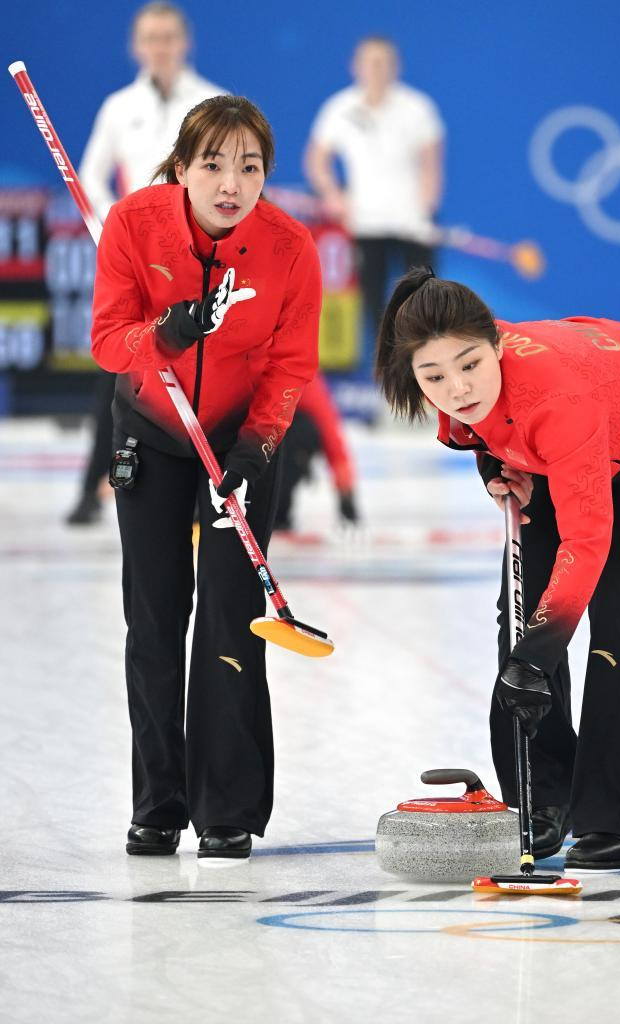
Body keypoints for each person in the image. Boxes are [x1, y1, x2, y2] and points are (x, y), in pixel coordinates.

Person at [375, 268, 620, 872]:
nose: (457, 388)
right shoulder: (455, 389)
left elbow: (587, 541)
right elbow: (478, 434)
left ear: (498, 346)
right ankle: (541, 800)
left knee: (618, 611)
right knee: (522, 617)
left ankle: (617, 820)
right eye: (434, 377)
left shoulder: (557, 400)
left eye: (470, 365)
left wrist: (535, 659)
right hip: (569, 443)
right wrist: (497, 470)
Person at [91, 95, 322, 859]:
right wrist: (161, 334)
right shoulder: (133, 223)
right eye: (213, 164)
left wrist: (256, 448)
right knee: (155, 616)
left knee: (231, 615)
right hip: (152, 431)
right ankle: (158, 803)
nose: (231, 183)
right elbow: (107, 342)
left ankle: (227, 808)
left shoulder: (290, 247)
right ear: (182, 167)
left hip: (239, 437)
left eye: (250, 167)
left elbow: (291, 365)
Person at [67, 1, 223, 525]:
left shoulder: (211, 102)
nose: (160, 47)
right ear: (137, 46)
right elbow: (90, 176)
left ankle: (208, 492)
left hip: (195, 258)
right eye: (151, 38)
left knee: (202, 377)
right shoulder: (119, 107)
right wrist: (115, 227)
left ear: (185, 42)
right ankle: (91, 489)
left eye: (169, 36)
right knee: (116, 374)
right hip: (134, 260)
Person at [304, 36, 444, 394]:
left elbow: (432, 163)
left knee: (424, 305)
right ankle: (390, 387)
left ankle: (431, 383)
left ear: (395, 67)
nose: (376, 69)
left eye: (383, 62)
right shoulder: (339, 108)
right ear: (356, 66)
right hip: (365, 226)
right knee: (376, 309)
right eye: (369, 62)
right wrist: (333, 195)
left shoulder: (418, 108)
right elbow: (316, 159)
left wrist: (427, 207)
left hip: (413, 226)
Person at [274, 372, 360, 531]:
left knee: (302, 429)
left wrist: (346, 496)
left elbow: (330, 436)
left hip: (280, 445)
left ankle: (276, 506)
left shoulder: (304, 379)